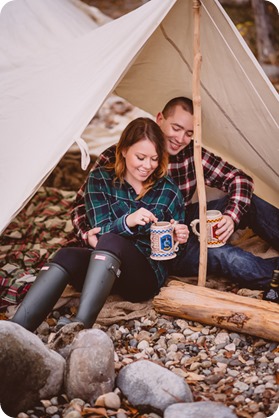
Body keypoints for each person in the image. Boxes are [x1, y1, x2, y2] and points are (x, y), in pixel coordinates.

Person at [71, 97, 279, 296]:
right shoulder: (118, 155)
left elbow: (240, 179)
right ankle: (273, 278)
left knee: (248, 201)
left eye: (189, 132)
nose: (180, 139)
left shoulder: (191, 153)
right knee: (223, 255)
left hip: (182, 220)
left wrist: (230, 217)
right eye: (176, 128)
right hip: (143, 239)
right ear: (160, 119)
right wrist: (90, 236)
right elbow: (81, 205)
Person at [11, 118, 188, 332]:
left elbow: (171, 251)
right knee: (66, 255)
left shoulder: (168, 191)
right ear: (123, 150)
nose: (147, 166)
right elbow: (99, 230)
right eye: (140, 157)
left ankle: (80, 325)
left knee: (112, 240)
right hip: (103, 266)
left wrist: (179, 236)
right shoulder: (100, 179)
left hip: (143, 278)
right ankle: (17, 328)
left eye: (154, 159)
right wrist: (128, 221)